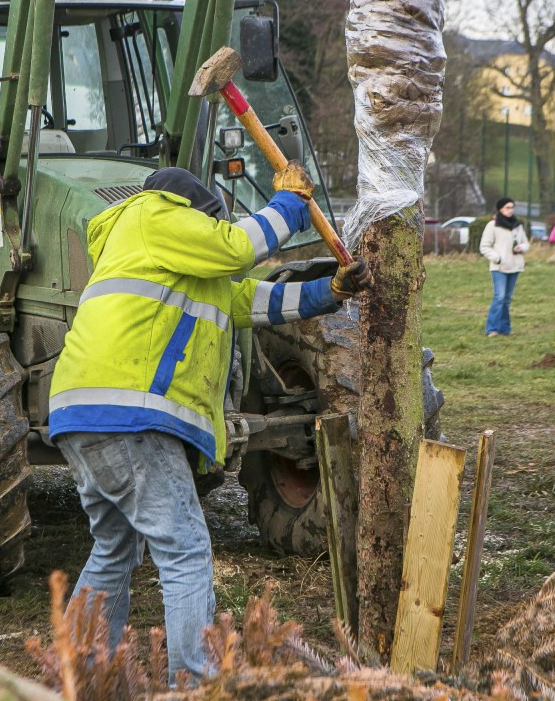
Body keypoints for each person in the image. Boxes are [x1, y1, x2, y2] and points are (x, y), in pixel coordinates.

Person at [46, 166, 371, 685]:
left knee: (114, 549)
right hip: (131, 415)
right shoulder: (153, 215)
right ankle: (195, 686)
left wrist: (330, 290)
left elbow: (260, 301)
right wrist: (290, 202)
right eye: (214, 226)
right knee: (186, 549)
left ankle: (81, 674)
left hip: (85, 414)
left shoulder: (179, 266)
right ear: (201, 216)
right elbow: (240, 247)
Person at [479, 197, 529, 337]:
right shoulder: (492, 225)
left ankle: (505, 329)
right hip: (499, 268)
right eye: (507, 207)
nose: (510, 210)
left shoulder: (517, 225)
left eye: (512, 207)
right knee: (499, 297)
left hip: (514, 266)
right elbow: (484, 247)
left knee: (506, 300)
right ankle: (492, 329)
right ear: (500, 209)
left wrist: (521, 248)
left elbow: (526, 243)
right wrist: (497, 258)